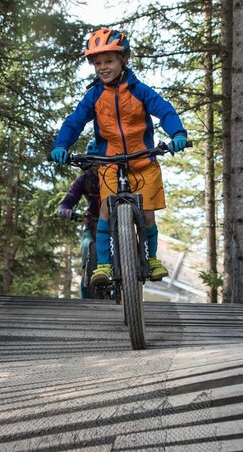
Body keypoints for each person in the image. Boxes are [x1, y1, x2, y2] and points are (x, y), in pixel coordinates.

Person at [50, 27, 189, 286]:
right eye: (98, 63)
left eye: (109, 61)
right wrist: (61, 145)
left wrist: (177, 133)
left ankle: (152, 258)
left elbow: (165, 111)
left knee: (147, 213)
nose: (103, 67)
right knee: (105, 209)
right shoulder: (94, 95)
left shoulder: (139, 90)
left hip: (142, 160)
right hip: (110, 162)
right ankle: (103, 265)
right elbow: (74, 122)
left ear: (124, 59)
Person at [57, 140, 102, 298]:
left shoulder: (113, 176)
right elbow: (69, 199)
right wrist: (65, 209)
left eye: (99, 159)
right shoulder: (84, 179)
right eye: (92, 160)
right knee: (86, 246)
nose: (96, 164)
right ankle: (86, 293)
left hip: (113, 224)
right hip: (92, 222)